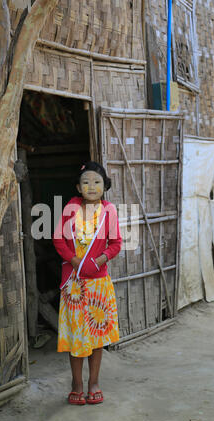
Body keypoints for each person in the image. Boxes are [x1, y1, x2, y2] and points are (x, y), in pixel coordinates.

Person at [52, 161, 122, 405]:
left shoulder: (109, 211)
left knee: (96, 334)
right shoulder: (70, 208)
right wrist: (75, 260)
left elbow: (116, 244)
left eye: (97, 182)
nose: (91, 186)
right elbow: (58, 239)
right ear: (78, 187)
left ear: (105, 186)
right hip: (74, 284)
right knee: (76, 335)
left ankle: (94, 382)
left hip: (98, 283)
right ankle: (77, 383)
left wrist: (100, 259)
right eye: (86, 182)